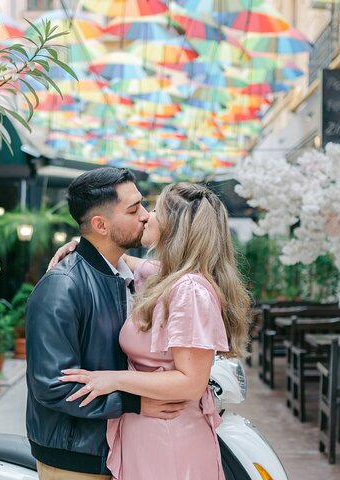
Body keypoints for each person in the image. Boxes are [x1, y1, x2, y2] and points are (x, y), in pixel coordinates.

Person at [60, 183, 251, 480]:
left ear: (173, 227)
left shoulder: (190, 290)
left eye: (155, 210)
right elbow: (124, 260)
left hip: (170, 438)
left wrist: (112, 380)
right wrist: (81, 242)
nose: (147, 216)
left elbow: (190, 383)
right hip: (150, 431)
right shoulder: (165, 277)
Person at [26, 167, 188, 480]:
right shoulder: (61, 286)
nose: (145, 215)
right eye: (133, 209)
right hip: (76, 458)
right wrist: (136, 402)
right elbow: (52, 386)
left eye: (143, 204)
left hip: (116, 447)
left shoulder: (124, 276)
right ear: (101, 224)